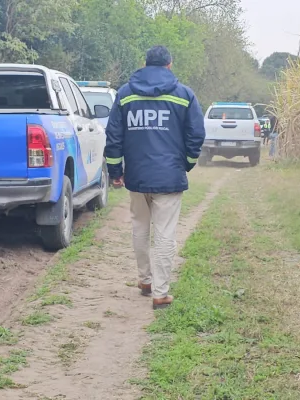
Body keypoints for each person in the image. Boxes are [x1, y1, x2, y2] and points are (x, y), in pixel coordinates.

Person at [104, 46, 206, 310]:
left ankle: (145, 281)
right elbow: (196, 135)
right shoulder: (184, 95)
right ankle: (161, 293)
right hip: (169, 177)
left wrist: (116, 171)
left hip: (136, 176)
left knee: (140, 228)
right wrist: (186, 164)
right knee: (165, 234)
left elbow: (114, 136)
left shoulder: (125, 95)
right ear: (169, 65)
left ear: (145, 64)